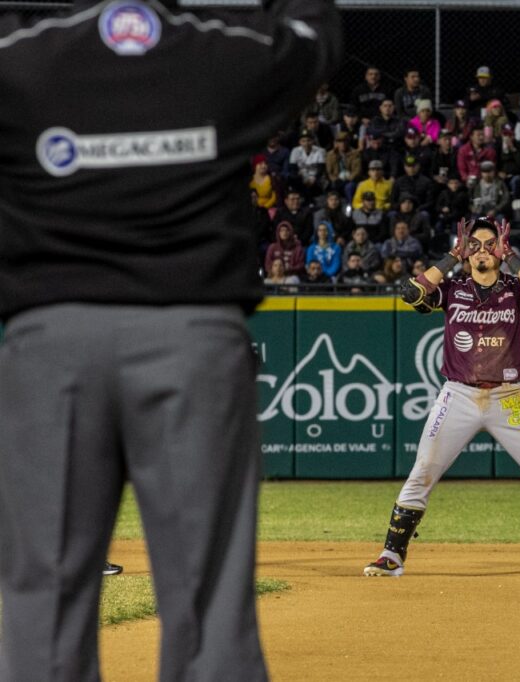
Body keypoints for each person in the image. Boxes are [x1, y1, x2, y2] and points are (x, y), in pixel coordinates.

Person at [0, 0, 339, 678]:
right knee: (209, 606)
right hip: (192, 336)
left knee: (45, 599)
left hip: (52, 340)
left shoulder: (20, 57)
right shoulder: (225, 51)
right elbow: (313, 36)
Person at [364, 219, 520, 577]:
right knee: (424, 470)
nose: (482, 250)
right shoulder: (453, 288)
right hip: (459, 394)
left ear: (500, 248)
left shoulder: (514, 288)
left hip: (508, 397)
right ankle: (391, 556)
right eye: (475, 245)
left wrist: (510, 255)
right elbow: (411, 293)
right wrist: (453, 255)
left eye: (489, 244)